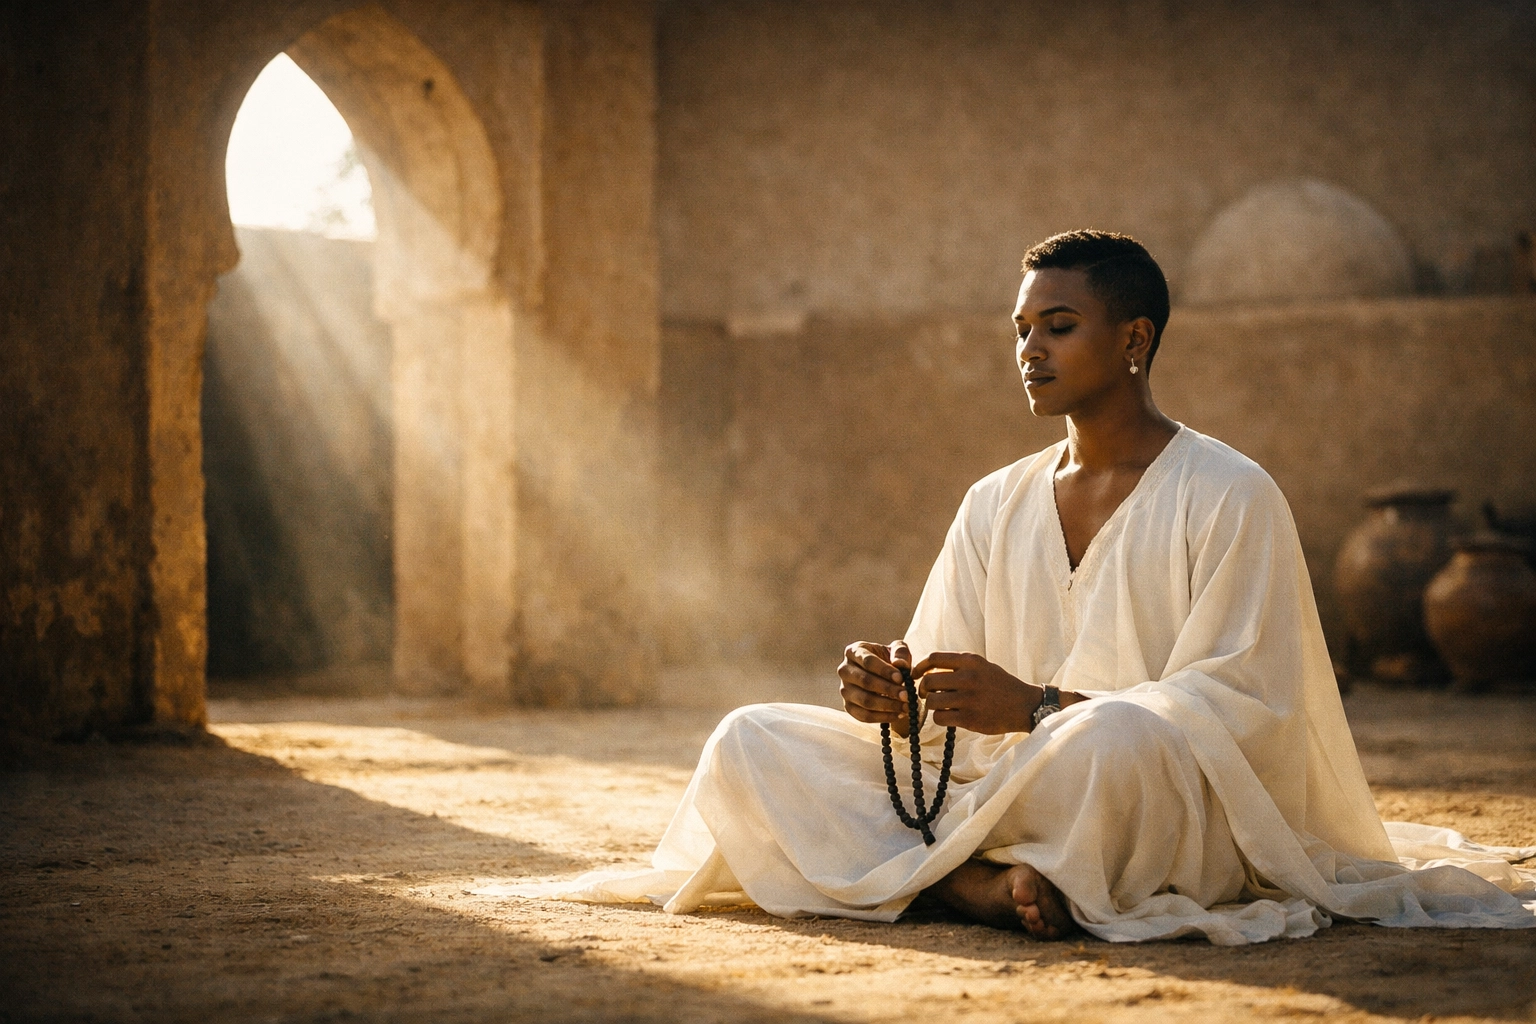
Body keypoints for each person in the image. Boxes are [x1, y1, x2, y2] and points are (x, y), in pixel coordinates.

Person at [486, 231, 1536, 944]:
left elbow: (1248, 713)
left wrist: (1041, 709)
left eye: (1057, 326)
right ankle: (973, 887)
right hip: (997, 800)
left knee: (1112, 742)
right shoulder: (994, 500)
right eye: (1020, 332)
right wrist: (895, 693)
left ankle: (938, 874)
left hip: (1148, 796)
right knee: (750, 738)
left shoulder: (1230, 492)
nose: (1029, 349)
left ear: (1133, 340)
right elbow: (944, 698)